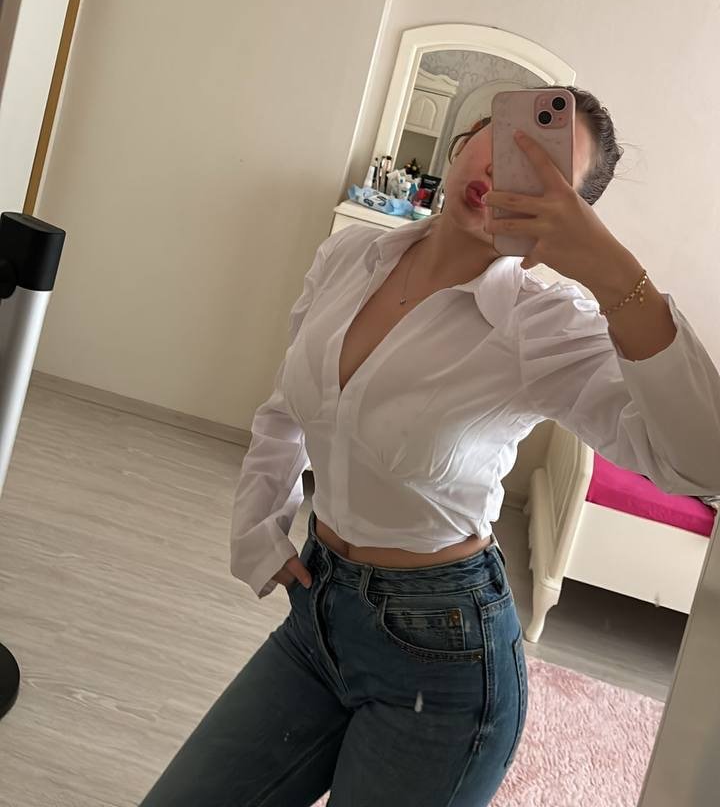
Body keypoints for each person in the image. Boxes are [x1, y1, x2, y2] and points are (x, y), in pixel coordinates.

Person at [140, 88, 720, 807]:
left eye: (542, 172)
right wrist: (257, 526)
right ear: (465, 139)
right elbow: (288, 404)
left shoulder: (544, 327)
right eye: (502, 138)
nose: (504, 171)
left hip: (446, 660)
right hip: (318, 616)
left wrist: (612, 271)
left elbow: (702, 462)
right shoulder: (351, 254)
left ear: (570, 217)